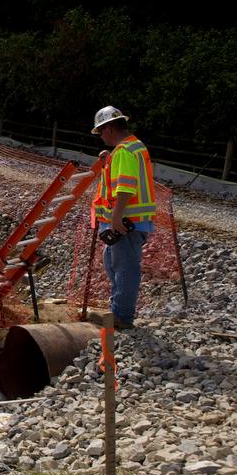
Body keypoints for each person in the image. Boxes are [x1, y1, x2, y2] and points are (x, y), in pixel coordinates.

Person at [90, 105, 155, 330]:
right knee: (114, 263)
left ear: (108, 129)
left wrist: (116, 218)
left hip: (127, 221)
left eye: (100, 132)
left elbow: (126, 188)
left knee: (124, 267)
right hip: (130, 221)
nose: (100, 137)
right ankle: (118, 309)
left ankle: (122, 316)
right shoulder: (130, 148)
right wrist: (110, 158)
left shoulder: (125, 151)